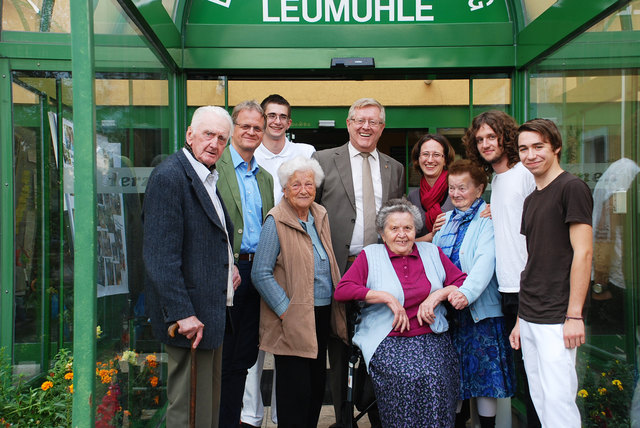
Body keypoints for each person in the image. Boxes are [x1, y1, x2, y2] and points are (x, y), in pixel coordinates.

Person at [143, 106, 241, 427]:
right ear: (189, 135)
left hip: (210, 314)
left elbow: (211, 234)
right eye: (207, 134)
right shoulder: (170, 177)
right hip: (189, 320)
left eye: (222, 138)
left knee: (206, 411)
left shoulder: (207, 175)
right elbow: (160, 256)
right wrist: (182, 313)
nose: (214, 143)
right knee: (187, 413)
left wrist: (231, 267)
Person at [334, 199, 467, 427]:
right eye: (394, 229)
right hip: (388, 338)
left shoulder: (431, 252)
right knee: (403, 378)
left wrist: (437, 295)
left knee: (437, 377)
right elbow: (342, 290)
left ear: (416, 230)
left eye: (408, 228)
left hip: (431, 336)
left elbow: (462, 282)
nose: (402, 235)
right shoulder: (370, 255)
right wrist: (386, 297)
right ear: (382, 234)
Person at [313, 97, 405, 427]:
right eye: (360, 120)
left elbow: (398, 219)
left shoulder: (394, 168)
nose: (366, 126)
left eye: (374, 122)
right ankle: (343, 419)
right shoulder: (323, 160)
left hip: (380, 269)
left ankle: (378, 414)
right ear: (349, 123)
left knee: (380, 342)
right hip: (339, 265)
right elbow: (311, 213)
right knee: (338, 345)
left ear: (382, 128)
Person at [251, 156, 347, 427]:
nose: (304, 189)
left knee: (316, 388)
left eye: (309, 183)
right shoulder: (276, 220)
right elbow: (260, 273)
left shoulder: (320, 214)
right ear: (284, 189)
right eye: (296, 185)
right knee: (296, 392)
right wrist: (286, 310)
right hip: (293, 318)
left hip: (321, 312)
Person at [510, 118, 593, 428]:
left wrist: (574, 315)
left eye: (538, 147)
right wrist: (520, 318)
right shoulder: (531, 199)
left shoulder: (571, 188)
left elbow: (584, 253)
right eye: (523, 149)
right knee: (542, 400)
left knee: (559, 404)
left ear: (556, 147)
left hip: (558, 316)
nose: (530, 155)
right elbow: (534, 260)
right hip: (530, 313)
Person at [241, 94, 316, 427]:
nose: (275, 121)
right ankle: (250, 417)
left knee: (288, 347)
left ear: (289, 121)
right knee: (251, 347)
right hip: (257, 256)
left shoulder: (306, 154)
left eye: (281, 116)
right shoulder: (248, 154)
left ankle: (285, 418)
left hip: (292, 259)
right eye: (269, 115)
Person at [462, 110, 539, 427]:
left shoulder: (525, 174)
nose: (485, 144)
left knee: (538, 378)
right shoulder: (497, 179)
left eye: (491, 137)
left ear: (506, 137)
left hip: (528, 289)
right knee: (524, 373)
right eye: (480, 139)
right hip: (507, 289)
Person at [431, 159, 515, 428]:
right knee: (453, 377)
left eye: (462, 188)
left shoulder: (488, 218)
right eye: (452, 188)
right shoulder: (445, 221)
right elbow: (434, 261)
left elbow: (485, 261)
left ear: (479, 190)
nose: (455, 194)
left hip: (479, 312)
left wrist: (466, 293)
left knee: (484, 380)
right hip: (450, 313)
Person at [216, 100, 275, 427]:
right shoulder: (216, 167)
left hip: (258, 273)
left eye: (257, 127)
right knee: (225, 357)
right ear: (233, 129)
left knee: (245, 356)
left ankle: (235, 419)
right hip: (230, 271)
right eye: (246, 126)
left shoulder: (264, 177)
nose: (252, 132)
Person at [407, 133, 455, 239]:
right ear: (418, 159)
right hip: (421, 255)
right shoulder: (412, 198)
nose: (430, 160)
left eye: (436, 155)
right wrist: (432, 236)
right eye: (425, 154)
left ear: (445, 160)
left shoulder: (457, 192)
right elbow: (408, 241)